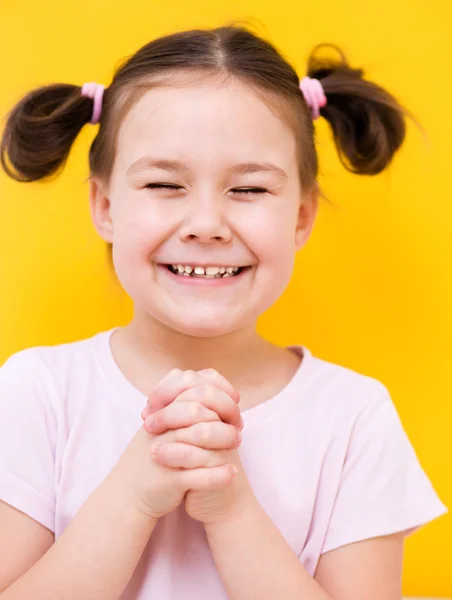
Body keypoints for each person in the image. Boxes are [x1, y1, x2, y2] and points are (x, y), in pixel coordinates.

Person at [0, 23, 447, 600]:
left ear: (302, 217)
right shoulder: (35, 392)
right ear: (105, 206)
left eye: (250, 190)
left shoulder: (354, 418)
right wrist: (133, 494)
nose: (207, 225)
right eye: (164, 183)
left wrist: (230, 508)